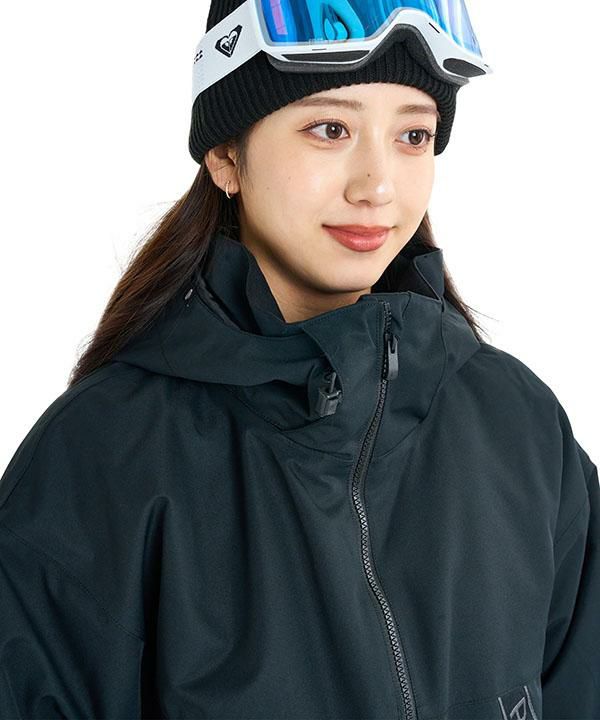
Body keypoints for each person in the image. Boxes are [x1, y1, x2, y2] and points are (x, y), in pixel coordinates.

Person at [1, 1, 598, 718]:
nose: (377, 186)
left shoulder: (521, 428)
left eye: (413, 135)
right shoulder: (96, 461)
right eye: (330, 129)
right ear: (226, 155)